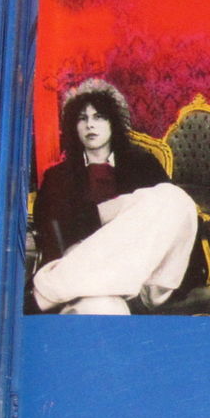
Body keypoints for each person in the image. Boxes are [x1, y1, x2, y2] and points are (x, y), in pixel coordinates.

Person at [32, 78, 199, 315]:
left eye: (99, 117)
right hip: (85, 274)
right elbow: (51, 230)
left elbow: (171, 223)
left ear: (113, 123)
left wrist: (111, 212)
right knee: (102, 308)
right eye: (82, 118)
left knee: (174, 196)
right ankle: (56, 289)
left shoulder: (143, 165)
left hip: (140, 273)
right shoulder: (57, 177)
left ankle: (47, 291)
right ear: (73, 127)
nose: (90, 125)